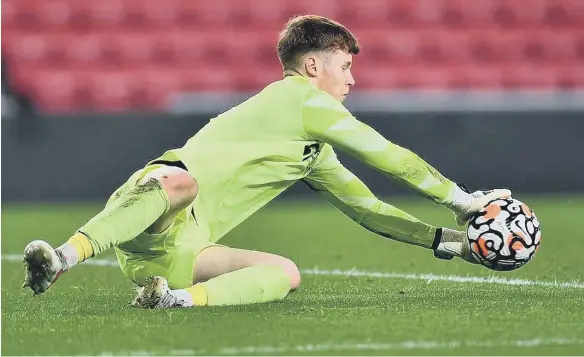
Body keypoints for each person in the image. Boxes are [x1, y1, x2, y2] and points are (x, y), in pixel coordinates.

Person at [22, 15, 510, 308]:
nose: (352, 81)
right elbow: (388, 156)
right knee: (181, 183)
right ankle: (63, 257)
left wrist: (447, 241)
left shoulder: (312, 151)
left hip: (179, 255)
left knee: (287, 272)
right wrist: (462, 200)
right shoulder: (299, 98)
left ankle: (175, 300)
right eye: (346, 67)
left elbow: (366, 208)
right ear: (313, 66)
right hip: (151, 205)